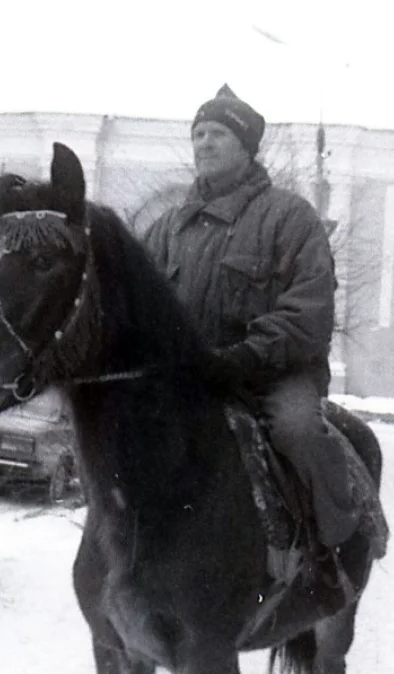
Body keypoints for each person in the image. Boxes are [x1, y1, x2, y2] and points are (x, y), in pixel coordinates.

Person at [143, 85, 364, 607]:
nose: (204, 143)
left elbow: (310, 309)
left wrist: (247, 355)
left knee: (298, 431)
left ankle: (328, 553)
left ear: (246, 147)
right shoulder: (166, 228)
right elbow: (139, 303)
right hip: (190, 377)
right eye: (198, 133)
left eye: (218, 133)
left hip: (274, 374)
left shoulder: (290, 218)